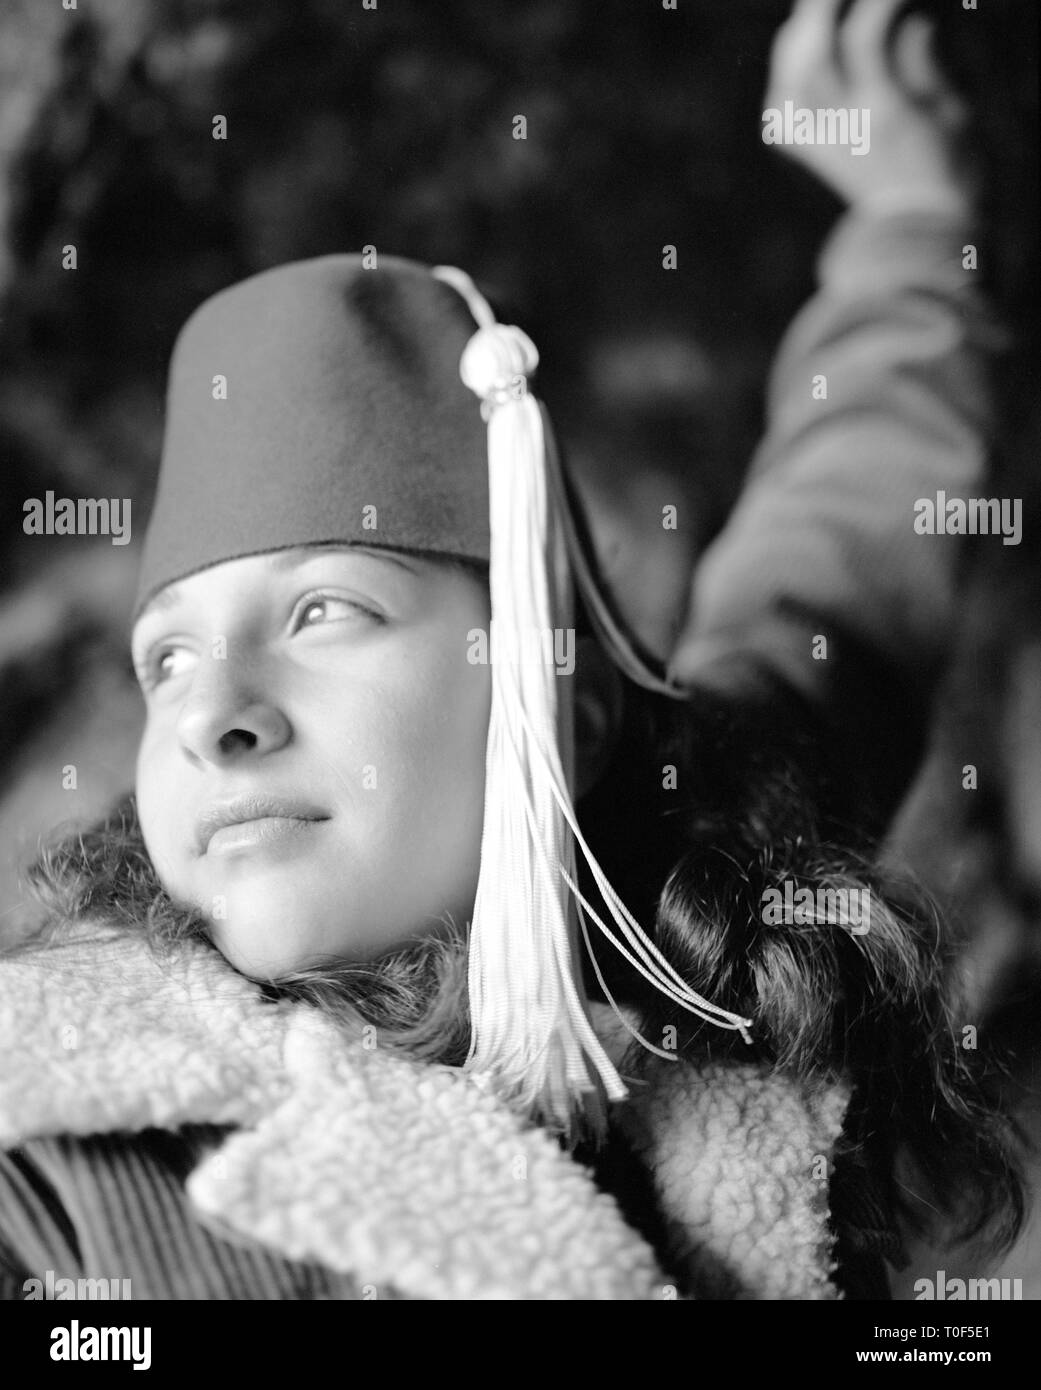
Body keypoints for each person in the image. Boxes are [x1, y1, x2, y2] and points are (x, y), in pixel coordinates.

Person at [0, 0, 1023, 1300]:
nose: (214, 715)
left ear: (559, 705)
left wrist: (916, 222)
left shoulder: (705, 909)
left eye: (325, 611)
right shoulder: (51, 1142)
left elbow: (839, 548)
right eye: (167, 660)